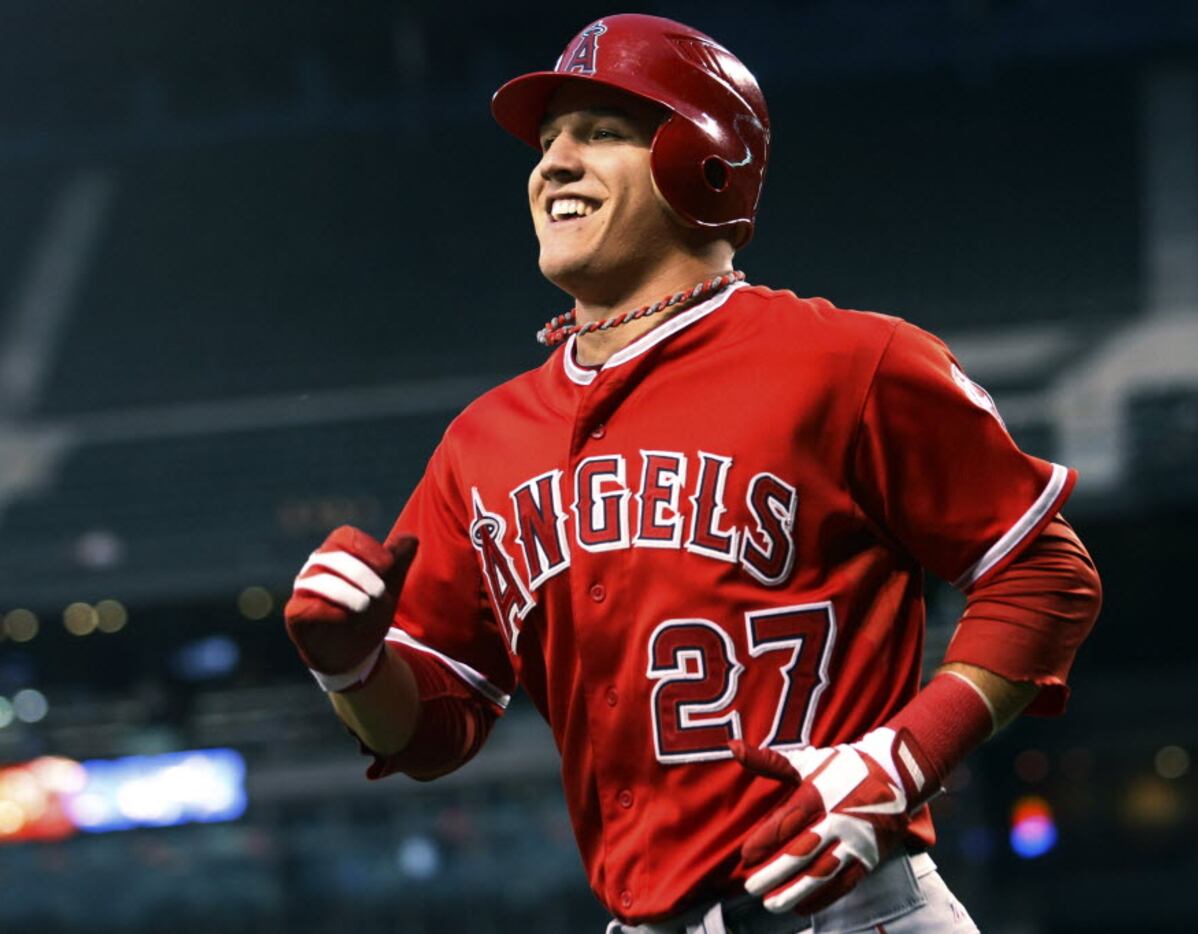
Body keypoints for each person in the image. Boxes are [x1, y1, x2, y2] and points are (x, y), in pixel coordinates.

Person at [283, 14, 1102, 933]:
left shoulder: (848, 360)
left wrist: (908, 757)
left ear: (702, 159)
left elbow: (1044, 573)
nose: (553, 162)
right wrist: (351, 669)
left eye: (600, 132)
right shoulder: (483, 441)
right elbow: (435, 728)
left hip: (854, 913)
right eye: (548, 141)